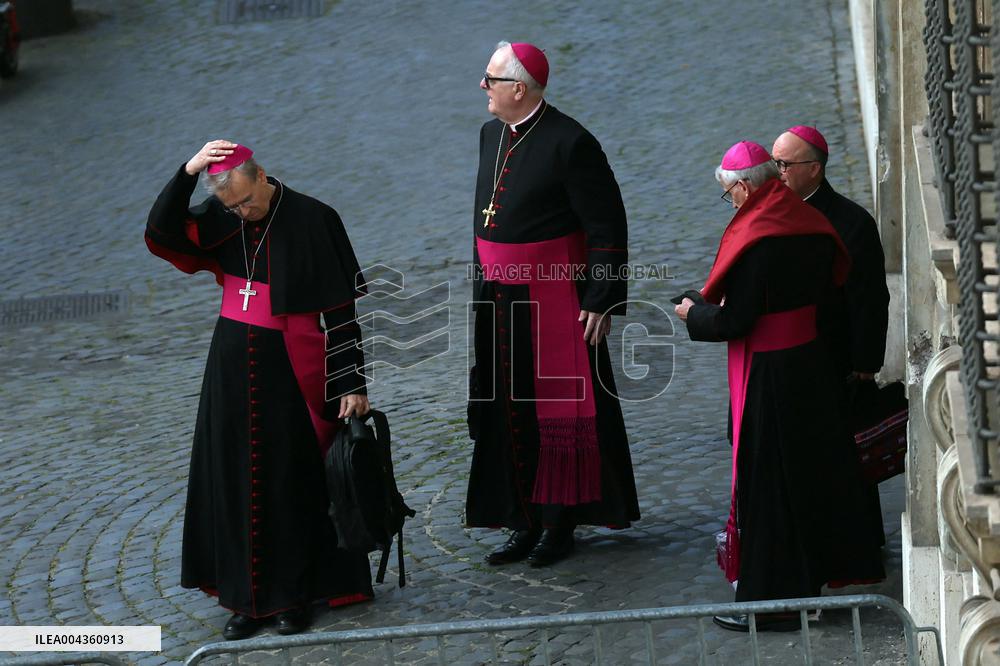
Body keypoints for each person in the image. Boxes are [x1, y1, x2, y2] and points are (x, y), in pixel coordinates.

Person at [145, 141, 373, 640]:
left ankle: (294, 598)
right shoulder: (224, 214)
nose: (241, 213)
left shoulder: (315, 218)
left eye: (246, 201)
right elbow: (161, 232)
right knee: (237, 483)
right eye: (232, 207)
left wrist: (351, 381)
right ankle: (247, 601)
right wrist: (188, 171)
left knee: (290, 484)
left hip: (294, 371)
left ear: (263, 176)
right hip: (230, 372)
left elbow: (339, 308)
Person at [674, 141, 884, 632]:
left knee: (767, 488)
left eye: (728, 194)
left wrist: (693, 314)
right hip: (809, 365)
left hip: (770, 375)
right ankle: (810, 588)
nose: (730, 203)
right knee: (809, 480)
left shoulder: (758, 237)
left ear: (745, 186)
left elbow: (739, 320)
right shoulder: (807, 220)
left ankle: (773, 605)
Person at [465, 41, 639, 567]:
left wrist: (602, 298)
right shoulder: (490, 134)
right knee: (507, 409)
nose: (482, 87)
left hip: (556, 300)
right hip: (499, 297)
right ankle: (521, 518)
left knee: (556, 414)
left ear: (519, 88)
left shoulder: (572, 142)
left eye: (490, 79)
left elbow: (608, 226)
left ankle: (558, 522)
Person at [772, 125, 890, 546]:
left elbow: (869, 300)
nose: (778, 172)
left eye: (785, 164)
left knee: (845, 457)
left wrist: (864, 365)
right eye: (774, 163)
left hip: (834, 358)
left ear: (815, 169)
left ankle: (855, 545)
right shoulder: (772, 213)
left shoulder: (852, 221)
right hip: (790, 357)